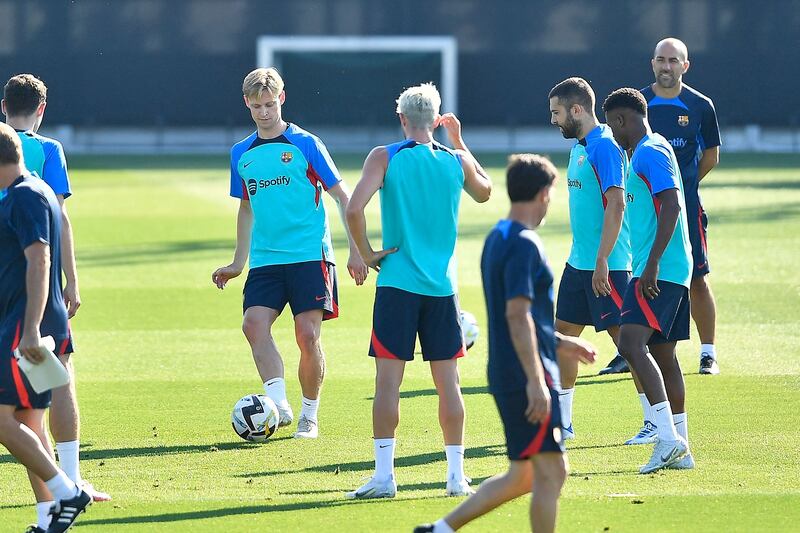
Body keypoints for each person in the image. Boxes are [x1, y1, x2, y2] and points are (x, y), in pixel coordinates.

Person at [414, 154, 597, 533]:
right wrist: (535, 380)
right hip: (524, 375)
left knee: (525, 475)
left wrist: (561, 342)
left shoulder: (497, 237)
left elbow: (522, 316)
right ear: (545, 194)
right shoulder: (526, 244)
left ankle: (441, 529)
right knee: (551, 472)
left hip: (507, 370)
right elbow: (516, 315)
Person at [344, 83, 492, 499]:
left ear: (403, 119)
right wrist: (460, 141)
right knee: (450, 383)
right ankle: (456, 477)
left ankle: (384, 477)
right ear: (438, 119)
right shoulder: (455, 160)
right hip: (442, 290)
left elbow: (354, 208)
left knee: (388, 384)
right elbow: (486, 191)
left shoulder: (385, 157)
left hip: (396, 286)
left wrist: (367, 252)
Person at [212, 68, 367, 439]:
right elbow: (246, 207)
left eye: (270, 104)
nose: (264, 112)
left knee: (307, 335)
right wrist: (238, 261)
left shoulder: (306, 144)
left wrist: (356, 251)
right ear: (247, 104)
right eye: (257, 106)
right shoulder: (241, 153)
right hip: (267, 258)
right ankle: (278, 404)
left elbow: (344, 198)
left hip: (310, 255)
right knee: (253, 325)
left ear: (281, 99)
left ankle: (309, 415)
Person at [2, 74, 111, 507]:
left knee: (23, 406)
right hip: (43, 293)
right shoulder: (48, 150)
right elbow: (60, 217)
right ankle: (69, 481)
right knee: (56, 382)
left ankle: (57, 496)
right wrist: (72, 279)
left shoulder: (5, 149)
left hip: (14, 296)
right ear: (42, 109)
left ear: (4, 106)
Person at [600, 37, 721, 376]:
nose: (666, 66)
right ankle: (635, 348)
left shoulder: (700, 105)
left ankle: (708, 352)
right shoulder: (638, 104)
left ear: (686, 65)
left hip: (683, 206)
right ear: (652, 63)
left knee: (696, 276)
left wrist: (682, 186)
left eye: (673, 60)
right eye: (660, 60)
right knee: (635, 269)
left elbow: (711, 155)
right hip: (642, 208)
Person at [0, 122, 91, 533]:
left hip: (25, 324)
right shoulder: (34, 189)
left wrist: (32, 329)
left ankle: (67, 491)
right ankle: (49, 515)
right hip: (27, 318)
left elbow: (40, 260)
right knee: (30, 421)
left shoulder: (23, 196)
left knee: (4, 419)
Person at [603, 88, 694, 473]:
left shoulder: (649, 152)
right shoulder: (647, 150)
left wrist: (653, 262)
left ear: (623, 120)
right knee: (662, 354)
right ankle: (682, 448)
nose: (613, 134)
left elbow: (672, 203)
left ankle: (667, 440)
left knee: (629, 343)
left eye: (613, 126)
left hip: (659, 269)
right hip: (666, 267)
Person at [548, 78, 631, 439]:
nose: (553, 120)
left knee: (630, 347)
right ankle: (562, 423)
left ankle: (657, 424)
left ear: (577, 110)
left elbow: (616, 204)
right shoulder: (578, 148)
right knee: (561, 340)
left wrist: (602, 260)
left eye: (557, 112)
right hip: (578, 264)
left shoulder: (605, 148)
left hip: (606, 267)